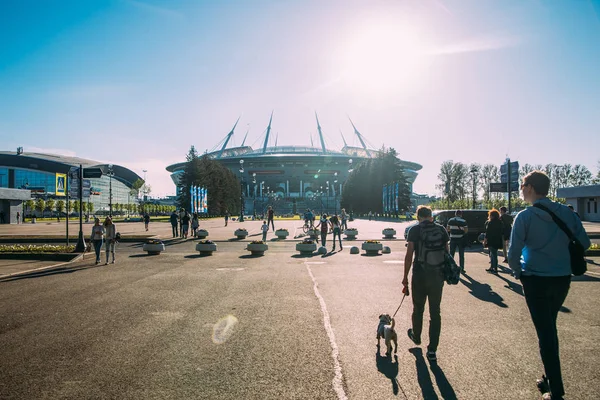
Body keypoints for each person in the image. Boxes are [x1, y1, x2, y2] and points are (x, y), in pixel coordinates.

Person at [509, 171, 590, 400]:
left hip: (534, 279)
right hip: (562, 279)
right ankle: (549, 377)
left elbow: (514, 253)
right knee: (548, 327)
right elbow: (583, 242)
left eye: (522, 185)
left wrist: (518, 272)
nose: (521, 189)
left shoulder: (525, 217)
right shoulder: (566, 212)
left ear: (531, 187)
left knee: (546, 333)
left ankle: (556, 390)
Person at [403, 205, 449, 362]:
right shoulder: (441, 230)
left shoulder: (414, 230)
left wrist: (405, 277)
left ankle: (416, 336)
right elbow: (447, 254)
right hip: (437, 277)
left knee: (418, 309)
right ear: (431, 216)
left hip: (420, 276)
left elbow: (409, 255)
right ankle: (432, 350)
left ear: (418, 216)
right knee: (435, 313)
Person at [484, 209, 503, 274]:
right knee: (493, 254)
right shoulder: (500, 222)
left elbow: (488, 233)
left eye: (490, 215)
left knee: (493, 255)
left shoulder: (490, 223)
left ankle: (495, 269)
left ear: (492, 216)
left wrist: (485, 241)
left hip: (491, 240)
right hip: (498, 240)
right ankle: (492, 267)